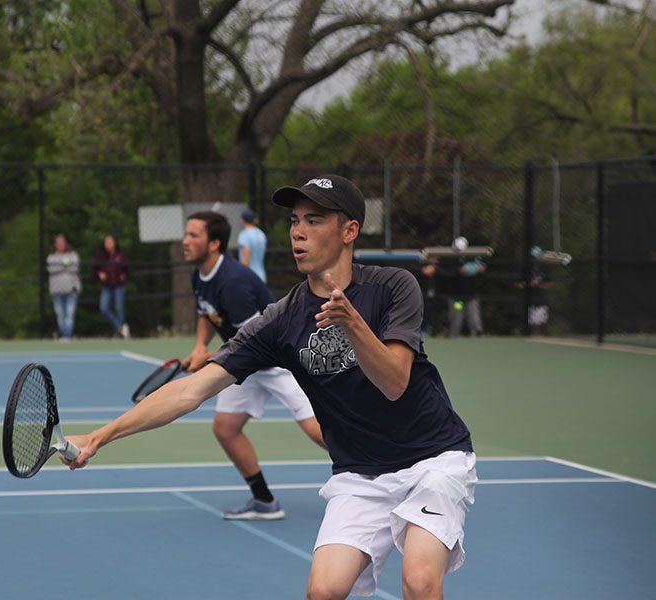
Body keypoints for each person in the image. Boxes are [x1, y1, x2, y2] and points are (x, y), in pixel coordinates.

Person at [63, 174, 476, 600]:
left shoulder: (392, 288)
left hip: (432, 459)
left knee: (421, 582)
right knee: (323, 591)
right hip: (360, 473)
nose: (298, 231)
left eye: (314, 220)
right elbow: (191, 390)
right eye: (295, 220)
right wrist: (99, 436)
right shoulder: (280, 320)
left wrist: (353, 324)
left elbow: (394, 382)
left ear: (349, 230)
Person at [181, 210, 326, 520]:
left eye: (194, 235)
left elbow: (254, 341)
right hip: (245, 363)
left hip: (280, 358)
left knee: (321, 433)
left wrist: (208, 360)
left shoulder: (233, 283)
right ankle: (264, 501)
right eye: (186, 234)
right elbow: (207, 312)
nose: (185, 240)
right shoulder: (200, 274)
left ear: (215, 243)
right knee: (226, 428)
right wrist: (199, 346)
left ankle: (390, 471)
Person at [92, 234, 130, 339]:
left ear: (114, 242)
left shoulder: (121, 255)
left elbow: (128, 269)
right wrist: (99, 273)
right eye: (106, 242)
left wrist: (124, 275)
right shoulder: (101, 256)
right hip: (107, 286)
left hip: (119, 286)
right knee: (104, 308)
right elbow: (94, 269)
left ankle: (120, 333)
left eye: (110, 241)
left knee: (119, 309)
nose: (108, 244)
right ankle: (121, 327)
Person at [448, 237, 486, 337]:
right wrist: (469, 269)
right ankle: (454, 336)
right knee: (457, 319)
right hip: (457, 298)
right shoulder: (452, 260)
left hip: (470, 297)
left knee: (474, 319)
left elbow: (480, 270)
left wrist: (474, 269)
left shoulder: (472, 258)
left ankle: (477, 336)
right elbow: (459, 271)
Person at [46, 234, 81, 340]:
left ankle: (67, 336)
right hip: (57, 291)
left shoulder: (73, 255)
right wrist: (65, 265)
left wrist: (60, 266)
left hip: (71, 290)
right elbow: (52, 269)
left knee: (69, 314)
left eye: (62, 243)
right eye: (58, 243)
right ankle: (65, 334)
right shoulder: (51, 257)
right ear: (55, 245)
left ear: (65, 244)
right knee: (60, 315)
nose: (60, 245)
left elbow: (75, 268)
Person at [517, 247, 551, 336]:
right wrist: (529, 284)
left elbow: (549, 285)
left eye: (536, 257)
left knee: (540, 322)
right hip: (529, 300)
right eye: (533, 257)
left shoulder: (544, 269)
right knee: (531, 323)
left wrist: (539, 284)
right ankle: (532, 336)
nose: (535, 259)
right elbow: (519, 285)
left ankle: (539, 336)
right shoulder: (526, 269)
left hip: (540, 299)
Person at [237, 208, 268, 283]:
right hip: (261, 276)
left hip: (248, 277)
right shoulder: (261, 234)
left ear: (242, 220)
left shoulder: (244, 235)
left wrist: (239, 276)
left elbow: (246, 256)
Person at [418, 256, 439, 337]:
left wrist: (435, 270)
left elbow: (450, 271)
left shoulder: (439, 268)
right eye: (432, 257)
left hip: (434, 299)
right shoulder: (419, 265)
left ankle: (429, 331)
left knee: (431, 312)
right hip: (422, 298)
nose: (434, 259)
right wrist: (422, 271)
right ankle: (421, 330)